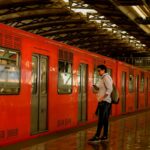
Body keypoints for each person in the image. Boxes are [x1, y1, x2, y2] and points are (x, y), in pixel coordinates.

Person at [88, 64, 113, 142]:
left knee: (101, 119)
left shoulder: (106, 77)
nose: (98, 72)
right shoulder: (102, 78)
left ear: (103, 70)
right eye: (97, 70)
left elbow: (110, 89)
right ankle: (105, 136)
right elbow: (101, 88)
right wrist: (95, 87)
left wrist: (103, 97)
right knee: (105, 119)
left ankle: (97, 136)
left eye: (99, 70)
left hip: (105, 102)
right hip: (104, 101)